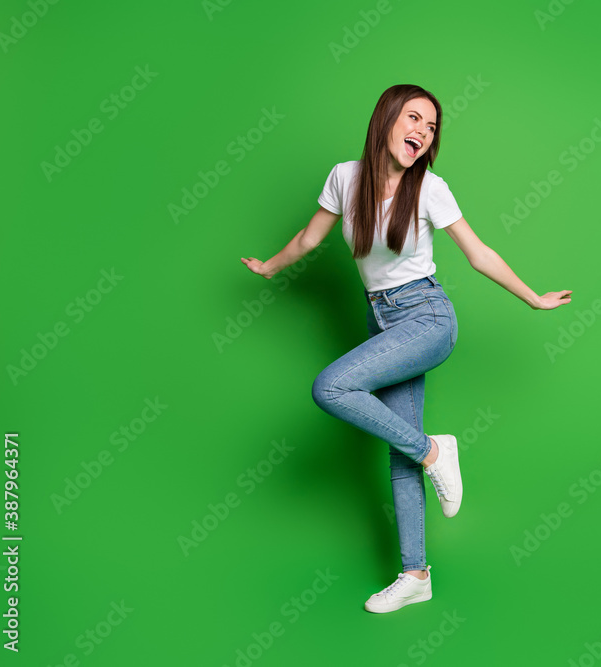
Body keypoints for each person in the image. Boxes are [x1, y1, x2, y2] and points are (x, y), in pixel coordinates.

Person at [240, 84, 571, 613]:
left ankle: (436, 451)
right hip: (382, 321)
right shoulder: (344, 178)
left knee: (331, 386)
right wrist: (268, 266)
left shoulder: (430, 189)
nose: (422, 131)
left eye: (432, 126)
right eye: (413, 118)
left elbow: (478, 253)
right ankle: (416, 575)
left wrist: (532, 298)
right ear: (386, 120)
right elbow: (308, 238)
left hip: (427, 318)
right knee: (401, 453)